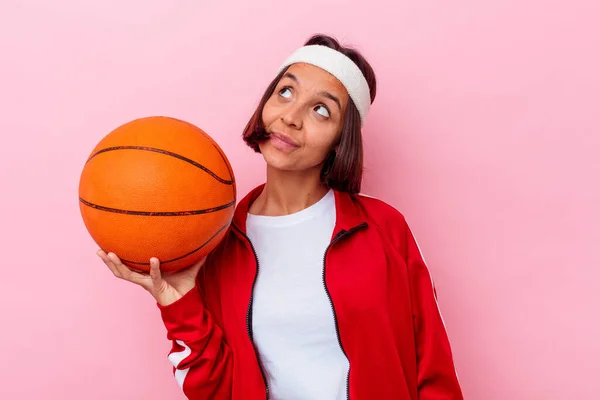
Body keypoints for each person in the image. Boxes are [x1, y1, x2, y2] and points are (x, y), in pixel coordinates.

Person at [98, 34, 464, 400]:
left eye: (322, 110)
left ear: (342, 139)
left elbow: (432, 365)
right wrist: (178, 303)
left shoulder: (384, 228)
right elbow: (213, 390)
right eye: (285, 92)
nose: (290, 117)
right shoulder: (217, 242)